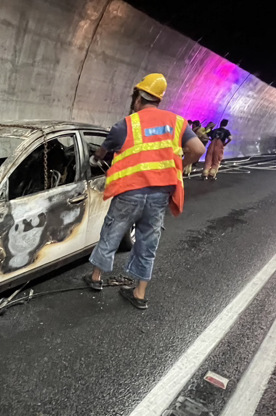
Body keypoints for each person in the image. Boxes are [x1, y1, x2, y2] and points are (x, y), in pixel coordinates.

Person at [84, 73, 205, 309]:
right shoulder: (177, 122)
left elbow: (101, 154)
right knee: (148, 241)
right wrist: (177, 166)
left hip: (130, 192)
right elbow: (198, 148)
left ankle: (96, 278)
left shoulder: (125, 125)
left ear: (138, 97)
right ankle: (139, 294)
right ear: (158, 99)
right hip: (159, 195)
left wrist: (95, 159)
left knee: (112, 233)